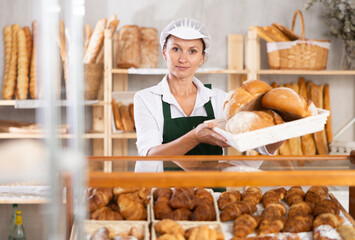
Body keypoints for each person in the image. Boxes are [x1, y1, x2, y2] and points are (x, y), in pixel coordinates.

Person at [134, 18, 283, 173]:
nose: (183, 59)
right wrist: (195, 137)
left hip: (211, 193)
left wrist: (284, 129)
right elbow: (149, 157)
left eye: (192, 51)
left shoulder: (220, 99)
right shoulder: (146, 99)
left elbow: (262, 145)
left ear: (202, 58)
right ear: (164, 53)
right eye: (176, 49)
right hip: (164, 193)